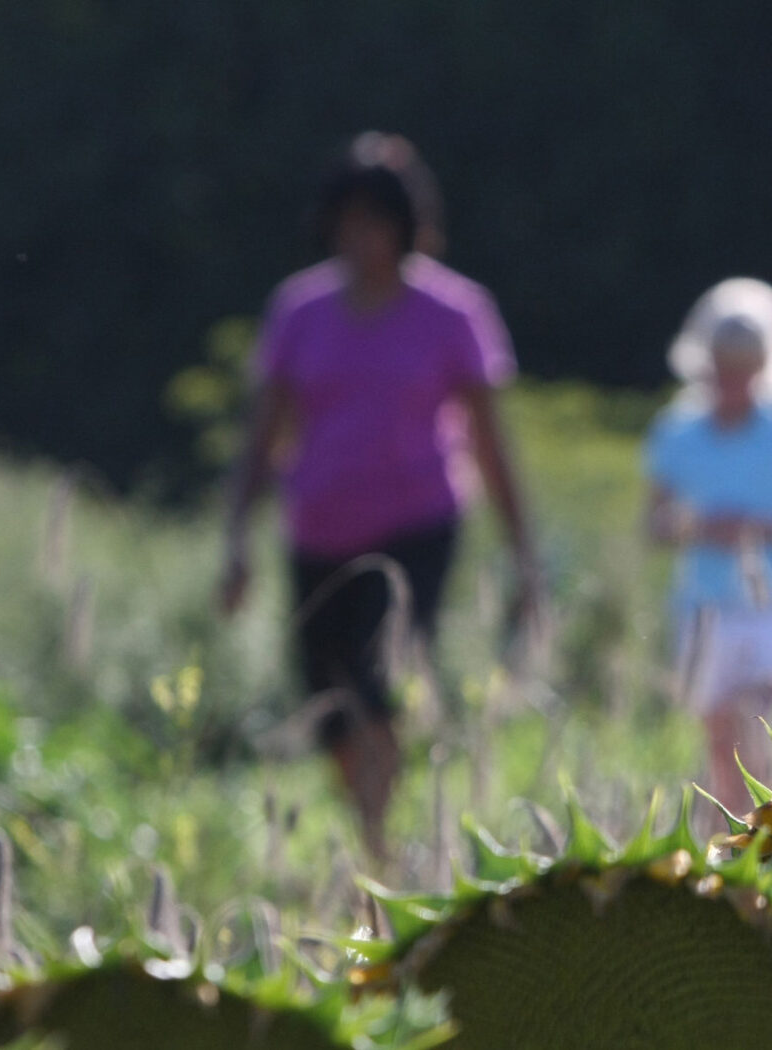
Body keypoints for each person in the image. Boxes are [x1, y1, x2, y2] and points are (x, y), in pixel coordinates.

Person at [220, 134, 540, 858]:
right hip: (318, 530)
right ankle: (372, 824)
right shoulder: (299, 312)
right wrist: (237, 537)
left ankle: (376, 843)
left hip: (416, 525)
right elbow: (262, 436)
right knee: (328, 705)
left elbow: (491, 445)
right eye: (349, 220)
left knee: (377, 686)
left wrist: (525, 555)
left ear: (406, 225)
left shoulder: (455, 313)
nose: (361, 237)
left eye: (376, 220)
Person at [644, 278, 772, 817]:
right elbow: (655, 523)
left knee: (753, 717)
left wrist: (764, 529)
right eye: (722, 366)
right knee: (719, 736)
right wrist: (702, 528)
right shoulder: (678, 432)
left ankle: (766, 828)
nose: (732, 379)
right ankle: (736, 835)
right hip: (703, 604)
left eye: (744, 367)